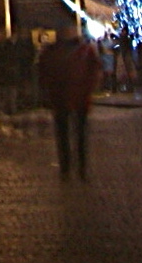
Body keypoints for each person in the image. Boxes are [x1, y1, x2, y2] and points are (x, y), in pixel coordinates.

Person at [37, 29, 101, 178]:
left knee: (66, 135)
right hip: (76, 98)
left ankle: (69, 167)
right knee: (78, 135)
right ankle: (78, 168)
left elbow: (43, 73)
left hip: (62, 97)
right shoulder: (85, 50)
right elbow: (94, 71)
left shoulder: (52, 52)